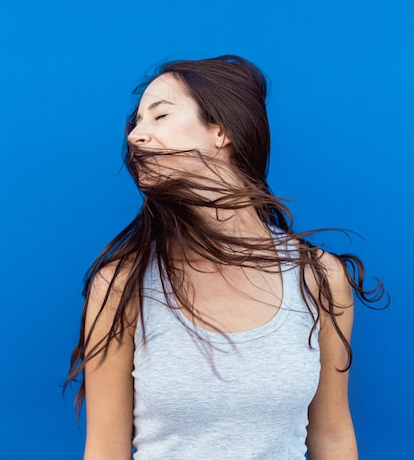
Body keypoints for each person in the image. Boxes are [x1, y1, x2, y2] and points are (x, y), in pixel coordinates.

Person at [66, 54, 386, 460]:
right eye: (136, 123)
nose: (135, 136)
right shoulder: (122, 284)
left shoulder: (318, 277)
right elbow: (106, 450)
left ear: (222, 130)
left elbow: (333, 436)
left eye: (159, 116)